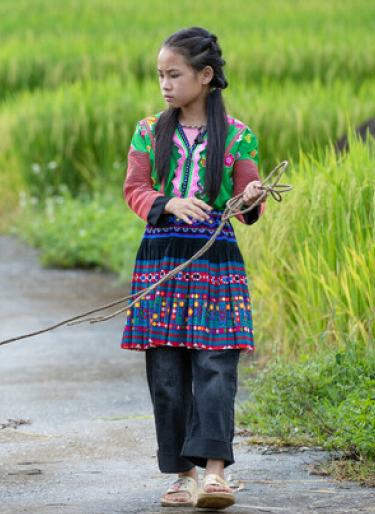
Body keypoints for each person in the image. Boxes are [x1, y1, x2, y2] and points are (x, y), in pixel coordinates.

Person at [121, 27, 268, 510]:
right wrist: (167, 202)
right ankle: (181, 475)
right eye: (160, 75)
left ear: (205, 76)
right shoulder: (148, 131)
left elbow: (246, 199)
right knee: (165, 370)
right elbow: (135, 189)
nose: (164, 83)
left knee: (216, 364)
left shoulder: (239, 137)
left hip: (215, 261)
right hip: (161, 260)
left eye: (174, 74)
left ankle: (214, 473)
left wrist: (250, 197)